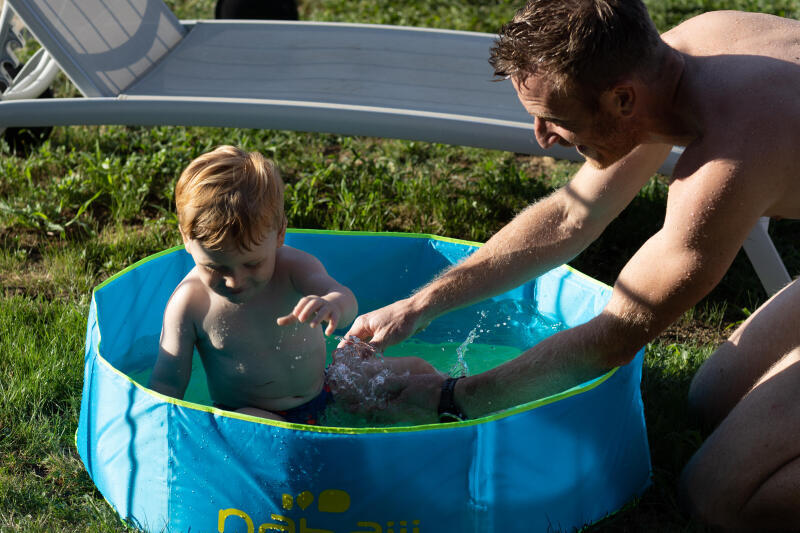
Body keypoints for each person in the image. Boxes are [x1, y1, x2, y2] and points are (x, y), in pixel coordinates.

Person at [339, 1, 800, 529]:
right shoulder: (687, 50)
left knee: (719, 498)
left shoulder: (730, 157)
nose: (542, 137)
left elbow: (616, 334)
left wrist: (451, 398)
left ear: (622, 99)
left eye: (555, 119)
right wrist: (418, 307)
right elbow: (569, 217)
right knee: (707, 399)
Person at [148, 145, 433, 425]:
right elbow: (167, 386)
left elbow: (346, 300)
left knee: (419, 373)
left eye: (252, 264)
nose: (235, 281)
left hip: (325, 389)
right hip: (256, 416)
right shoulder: (189, 303)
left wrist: (332, 304)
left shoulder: (293, 268)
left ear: (280, 233)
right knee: (239, 422)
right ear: (186, 238)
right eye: (214, 267)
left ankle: (457, 412)